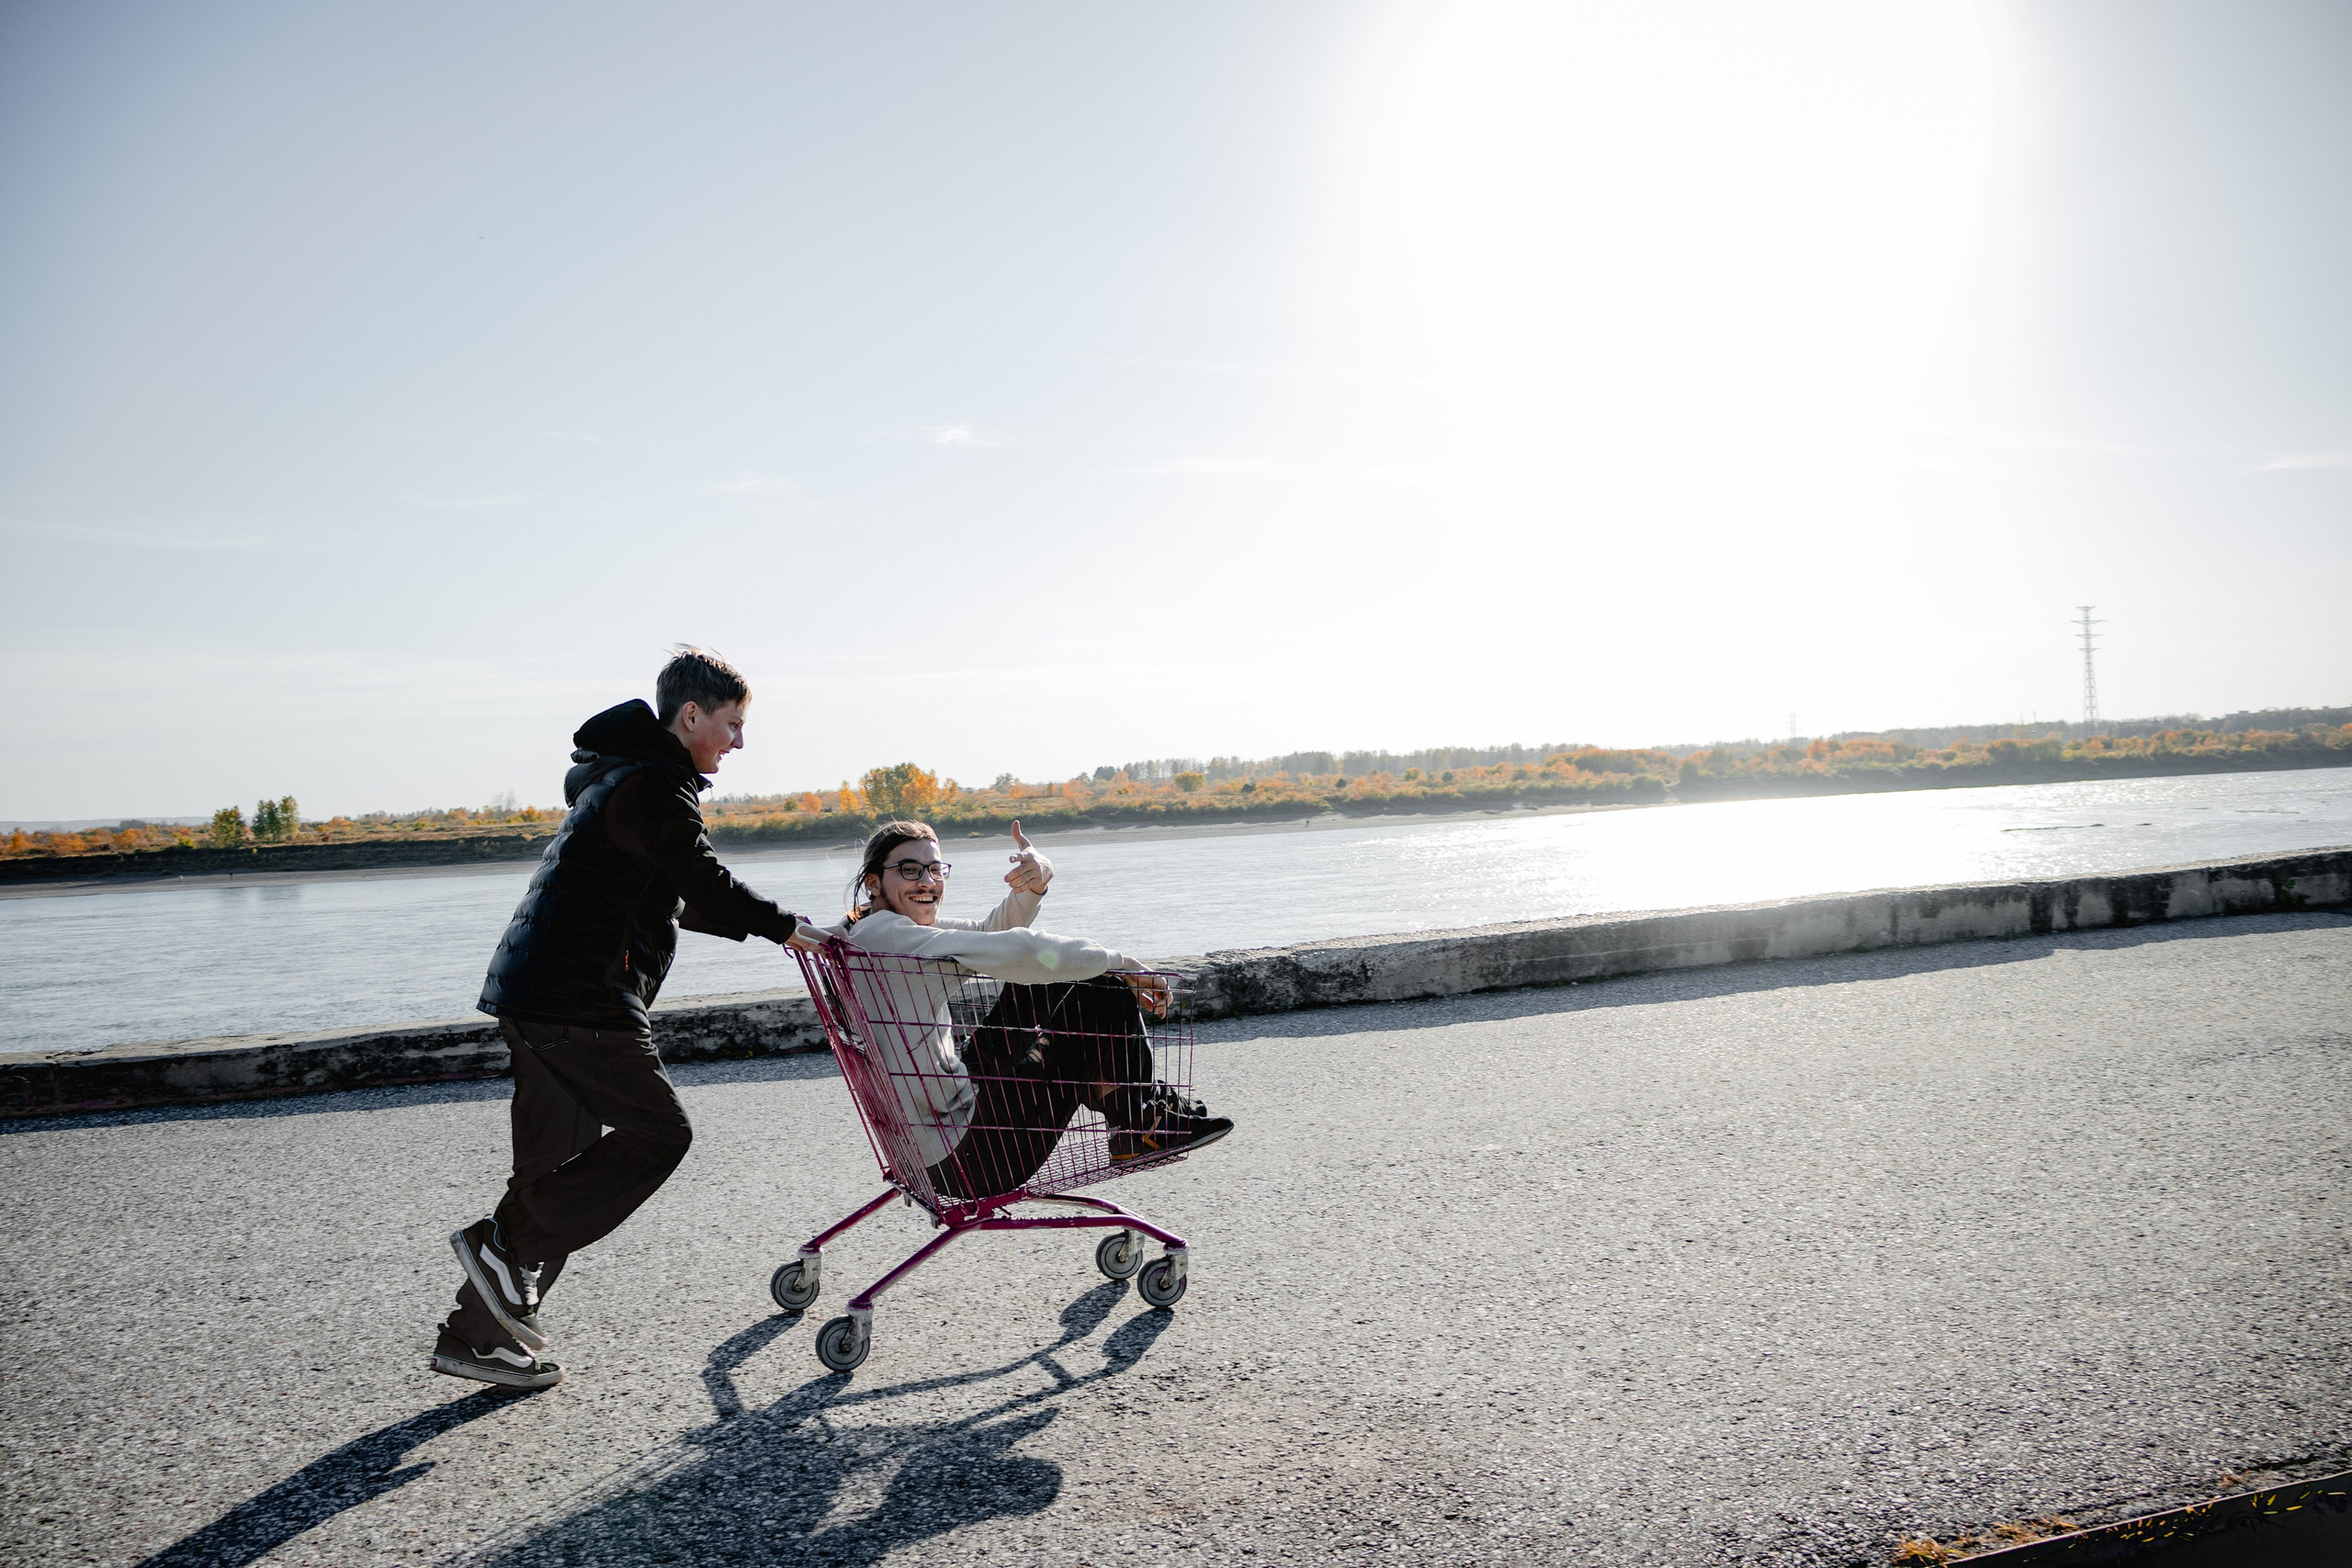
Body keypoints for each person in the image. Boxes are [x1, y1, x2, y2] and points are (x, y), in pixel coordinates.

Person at [428, 646, 818, 1390]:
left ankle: (476, 1337)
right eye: (732, 724)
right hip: (582, 998)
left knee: (557, 1175)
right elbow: (702, 877)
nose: (739, 742)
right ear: (691, 714)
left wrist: (767, 927)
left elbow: (681, 894)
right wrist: (784, 925)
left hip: (536, 992)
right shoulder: (654, 782)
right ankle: (500, 1249)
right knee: (660, 1134)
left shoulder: (623, 777)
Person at [816, 818, 1231, 1204]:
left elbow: (990, 937)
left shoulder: (865, 932)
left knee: (1045, 978)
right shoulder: (892, 938)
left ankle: (1135, 1117)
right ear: (874, 882)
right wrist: (1122, 963)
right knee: (1101, 989)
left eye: (936, 869)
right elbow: (1023, 948)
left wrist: (1035, 884)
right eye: (909, 870)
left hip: (927, 1143)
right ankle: (1142, 1121)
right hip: (972, 1158)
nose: (927, 882)